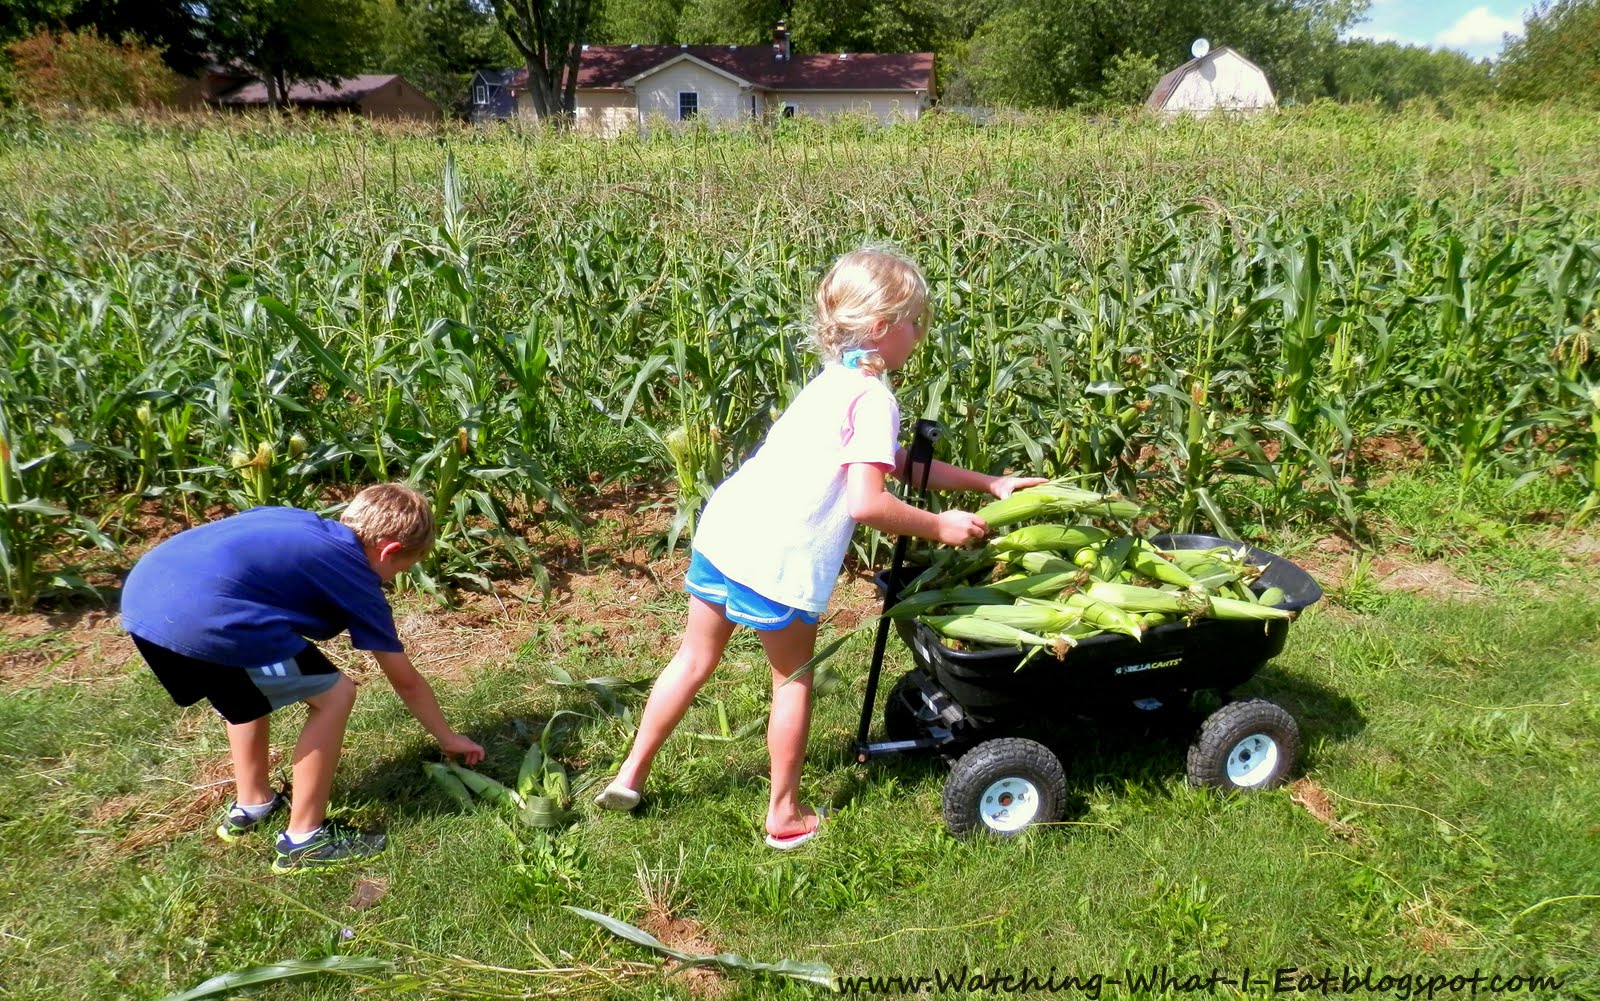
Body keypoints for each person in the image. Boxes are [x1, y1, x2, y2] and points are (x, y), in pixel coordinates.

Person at [594, 248, 1045, 848]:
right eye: (916, 322)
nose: (920, 334)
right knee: (792, 680)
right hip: (777, 559)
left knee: (693, 660)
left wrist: (990, 484)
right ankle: (783, 814)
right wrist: (942, 527)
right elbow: (867, 503)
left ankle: (630, 774)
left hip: (728, 533)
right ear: (883, 327)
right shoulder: (874, 399)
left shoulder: (837, 381)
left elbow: (901, 464)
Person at [119, 482, 485, 873]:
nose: (392, 580)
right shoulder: (354, 574)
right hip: (206, 617)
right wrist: (447, 737)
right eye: (400, 570)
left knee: (246, 691)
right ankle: (303, 841)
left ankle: (252, 803)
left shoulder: (297, 521)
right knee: (335, 695)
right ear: (390, 550)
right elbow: (405, 680)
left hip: (147, 603)